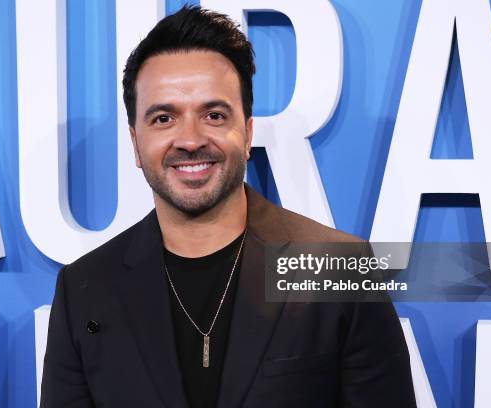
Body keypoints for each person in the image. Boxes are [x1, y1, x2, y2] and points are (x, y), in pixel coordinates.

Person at [40, 5, 416, 408]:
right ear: (135, 143)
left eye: (214, 115)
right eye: (164, 118)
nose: (189, 139)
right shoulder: (85, 289)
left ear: (248, 131)